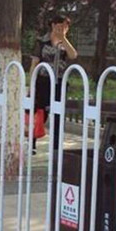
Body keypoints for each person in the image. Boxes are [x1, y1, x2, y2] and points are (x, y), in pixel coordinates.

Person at [29, 14, 78, 154]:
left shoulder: (65, 43)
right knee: (40, 112)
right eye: (59, 26)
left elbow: (73, 55)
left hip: (59, 82)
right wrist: (31, 84)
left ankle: (56, 147)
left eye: (65, 27)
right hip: (43, 80)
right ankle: (32, 142)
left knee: (58, 114)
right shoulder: (42, 41)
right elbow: (34, 63)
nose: (62, 29)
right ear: (53, 25)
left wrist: (63, 38)